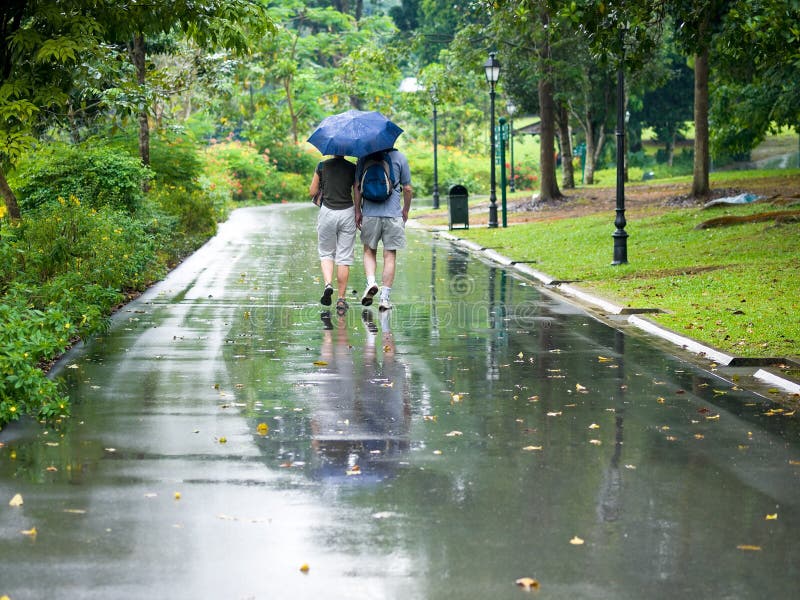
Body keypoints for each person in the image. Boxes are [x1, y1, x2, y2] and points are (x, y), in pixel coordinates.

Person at [354, 148, 412, 311]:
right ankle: (384, 299)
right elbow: (407, 188)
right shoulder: (400, 157)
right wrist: (405, 210)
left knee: (368, 251)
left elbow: (357, 186)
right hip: (392, 214)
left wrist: (357, 211)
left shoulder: (363, 157)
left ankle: (371, 282)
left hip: (370, 214)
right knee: (389, 255)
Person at [309, 155, 357, 315]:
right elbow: (357, 191)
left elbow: (312, 191)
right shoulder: (352, 168)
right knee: (344, 257)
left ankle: (328, 284)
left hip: (327, 212)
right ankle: (341, 299)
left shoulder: (322, 166)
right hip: (347, 213)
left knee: (326, 253)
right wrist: (359, 211)